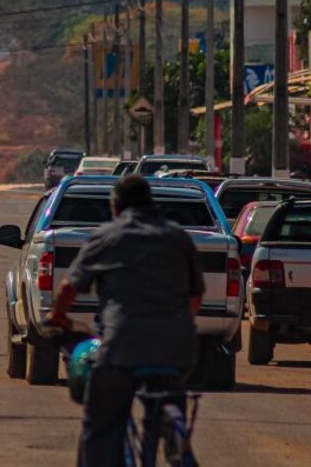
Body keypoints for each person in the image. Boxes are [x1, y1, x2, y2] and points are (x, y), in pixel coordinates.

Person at [49, 175, 204, 467]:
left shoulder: (108, 235)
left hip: (123, 345)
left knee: (101, 424)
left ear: (115, 207)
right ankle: (176, 439)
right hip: (177, 346)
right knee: (168, 399)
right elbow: (195, 297)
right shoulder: (178, 237)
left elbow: (69, 287)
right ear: (151, 203)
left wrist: (57, 317)